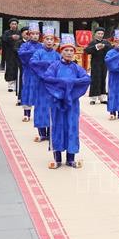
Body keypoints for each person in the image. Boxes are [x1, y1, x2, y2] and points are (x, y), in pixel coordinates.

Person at [43, 34, 91, 169]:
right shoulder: (54, 66)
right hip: (57, 102)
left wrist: (71, 86)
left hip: (72, 103)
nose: (69, 53)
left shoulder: (77, 68)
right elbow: (47, 79)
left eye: (71, 51)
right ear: (61, 51)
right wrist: (63, 86)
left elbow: (86, 79)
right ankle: (57, 159)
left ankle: (71, 159)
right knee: (57, 126)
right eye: (66, 50)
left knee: (72, 127)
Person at [29, 26, 61, 142]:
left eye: (51, 39)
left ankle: (51, 132)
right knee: (41, 108)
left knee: (52, 108)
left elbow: (61, 67)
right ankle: (42, 133)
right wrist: (48, 64)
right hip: (41, 86)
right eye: (47, 39)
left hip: (53, 87)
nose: (49, 41)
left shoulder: (57, 55)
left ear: (54, 41)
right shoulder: (39, 53)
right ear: (43, 40)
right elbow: (33, 63)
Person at [17, 23, 42, 121]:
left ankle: (39, 113)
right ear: (29, 35)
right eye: (33, 34)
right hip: (28, 72)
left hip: (39, 73)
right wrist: (34, 53)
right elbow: (21, 54)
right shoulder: (25, 45)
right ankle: (26, 114)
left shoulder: (42, 46)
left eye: (37, 34)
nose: (35, 36)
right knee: (27, 90)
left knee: (39, 92)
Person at [85, 27, 111, 105]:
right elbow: (87, 51)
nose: (100, 35)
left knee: (103, 79)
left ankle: (102, 98)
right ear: (95, 34)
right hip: (95, 63)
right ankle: (93, 98)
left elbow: (111, 48)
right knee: (95, 79)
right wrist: (96, 47)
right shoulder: (93, 43)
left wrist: (104, 46)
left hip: (104, 63)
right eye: (98, 33)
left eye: (102, 34)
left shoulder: (106, 42)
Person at [1, 18, 21, 92]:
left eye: (15, 24)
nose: (14, 25)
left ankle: (16, 84)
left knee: (17, 67)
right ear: (10, 25)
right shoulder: (7, 32)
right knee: (10, 68)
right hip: (9, 53)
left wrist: (19, 38)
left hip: (17, 53)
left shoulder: (19, 32)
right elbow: (3, 39)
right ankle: (10, 85)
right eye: (12, 24)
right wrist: (11, 37)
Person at [14, 26, 30, 106]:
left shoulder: (32, 43)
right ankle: (20, 98)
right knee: (21, 80)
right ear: (22, 34)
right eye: (26, 33)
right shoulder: (19, 42)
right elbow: (17, 50)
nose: (28, 35)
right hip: (21, 65)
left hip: (31, 66)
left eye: (29, 33)